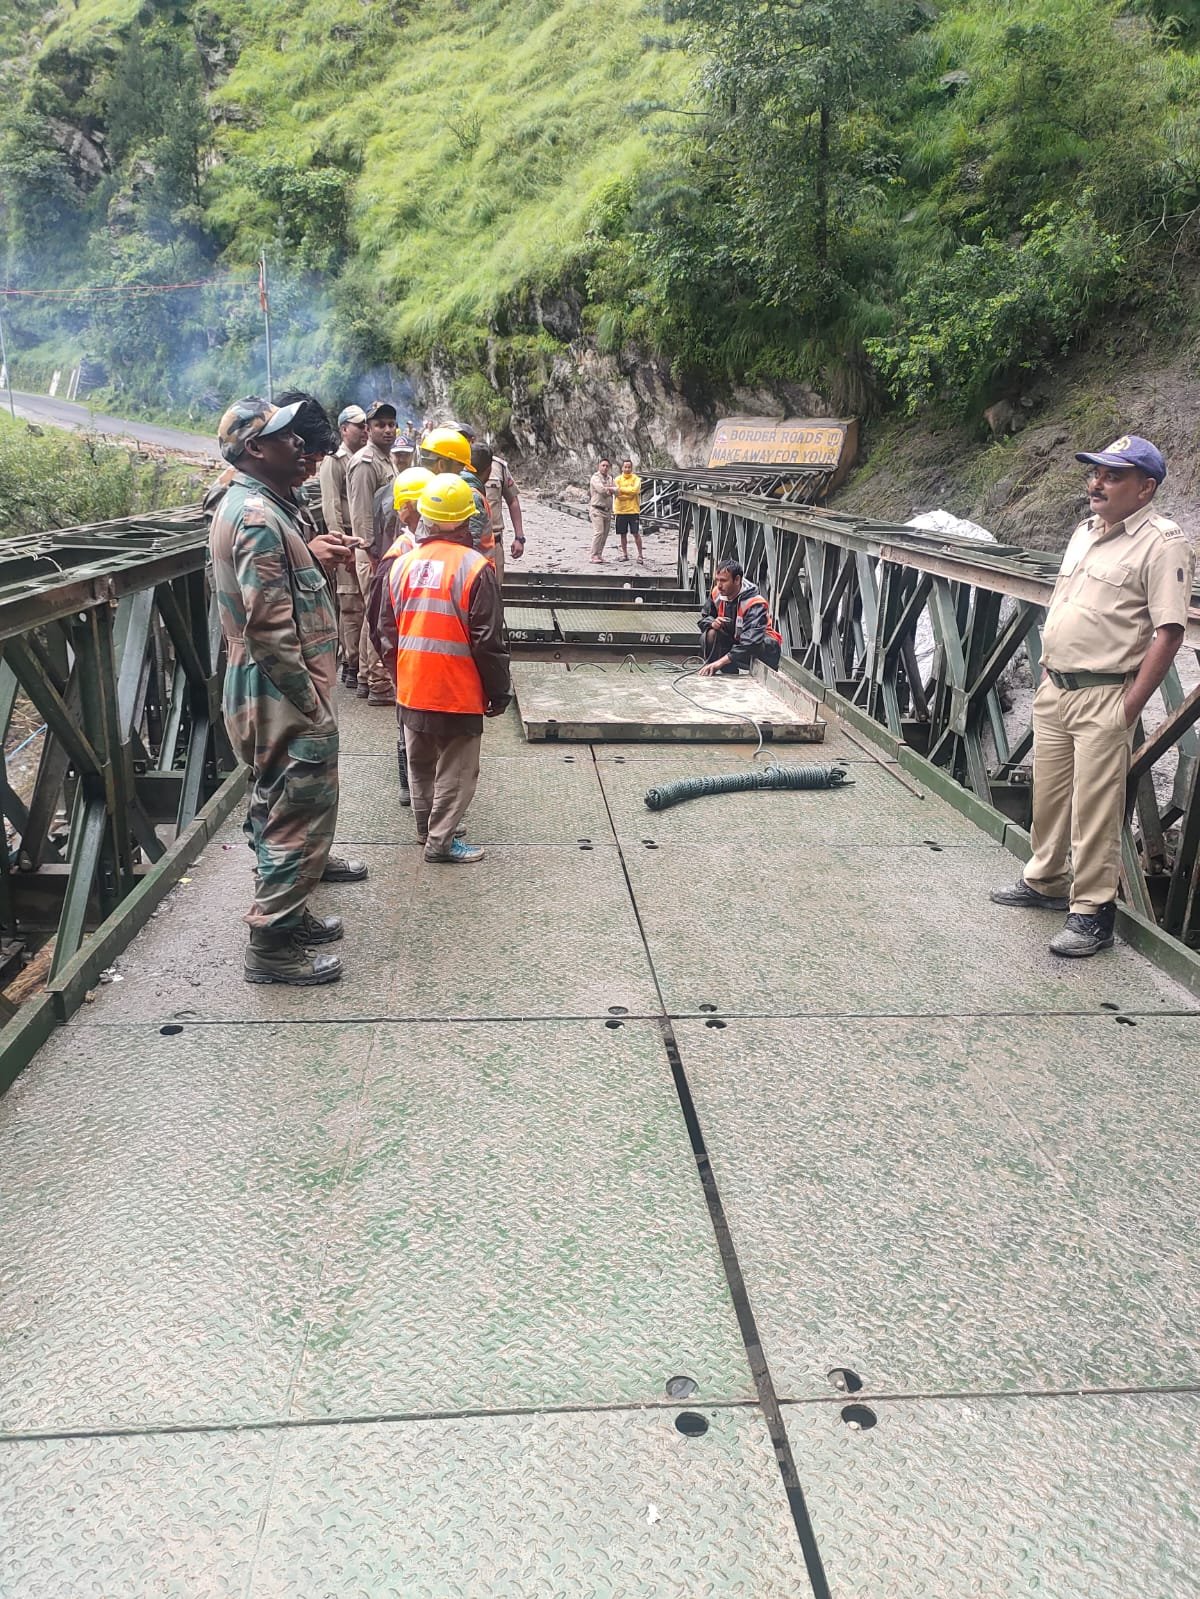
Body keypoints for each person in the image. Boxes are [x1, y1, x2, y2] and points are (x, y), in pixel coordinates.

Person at [990, 434, 1193, 957]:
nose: (1096, 484)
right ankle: (1045, 880)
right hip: (1056, 688)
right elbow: (1065, 604)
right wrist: (1045, 671)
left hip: (1105, 693)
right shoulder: (1084, 532)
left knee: (1095, 809)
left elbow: (1169, 632)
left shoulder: (1162, 542)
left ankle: (1092, 912)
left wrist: (1130, 705)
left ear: (1145, 488)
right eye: (1095, 473)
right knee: (1049, 796)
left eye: (1112, 476)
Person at [208, 396, 369, 988]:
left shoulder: (261, 505)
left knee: (280, 803)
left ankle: (290, 917)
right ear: (254, 448)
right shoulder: (256, 517)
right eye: (282, 435)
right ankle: (272, 948)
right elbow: (270, 629)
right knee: (295, 812)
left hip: (271, 688)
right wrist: (311, 703)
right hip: (280, 691)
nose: (298, 442)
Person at [387, 472, 512, 863]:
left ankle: (426, 832)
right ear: (465, 520)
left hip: (412, 686)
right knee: (456, 772)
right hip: (456, 690)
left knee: (421, 765)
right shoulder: (475, 568)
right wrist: (498, 691)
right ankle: (441, 842)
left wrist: (398, 678)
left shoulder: (402, 564)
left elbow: (387, 630)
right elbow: (487, 640)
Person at [369, 465, 433, 808]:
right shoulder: (400, 553)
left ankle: (417, 788)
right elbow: (379, 618)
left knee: (417, 724)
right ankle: (410, 786)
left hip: (420, 655)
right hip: (409, 657)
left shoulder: (417, 548)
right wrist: (393, 662)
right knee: (409, 723)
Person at [347, 400, 398, 705]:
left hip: (383, 550)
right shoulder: (366, 463)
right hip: (373, 553)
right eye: (380, 425)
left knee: (373, 614)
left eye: (391, 424)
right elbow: (362, 514)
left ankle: (368, 677)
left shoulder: (386, 459)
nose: (387, 430)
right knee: (379, 615)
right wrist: (371, 553)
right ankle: (378, 682)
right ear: (368, 429)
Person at [318, 405, 369, 688]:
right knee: (351, 605)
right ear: (344, 429)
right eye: (358, 426)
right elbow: (331, 506)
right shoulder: (334, 461)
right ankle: (352, 663)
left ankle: (360, 663)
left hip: (362, 539)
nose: (364, 430)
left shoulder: (364, 458)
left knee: (365, 602)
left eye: (365, 426)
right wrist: (341, 547)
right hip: (348, 538)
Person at [697, 555, 783, 676]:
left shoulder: (755, 603)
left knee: (766, 644)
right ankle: (727, 672)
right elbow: (704, 618)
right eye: (717, 580)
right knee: (710, 634)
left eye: (723, 581)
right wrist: (712, 622)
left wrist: (719, 662)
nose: (719, 585)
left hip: (759, 648)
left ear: (737, 580)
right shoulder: (718, 593)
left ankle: (762, 676)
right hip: (736, 640)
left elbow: (750, 642)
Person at [420, 426, 495, 563]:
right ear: (442, 465)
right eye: (460, 468)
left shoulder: (421, 491)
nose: (462, 474)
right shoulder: (458, 495)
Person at [472, 441, 526, 579]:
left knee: (494, 587)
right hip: (463, 545)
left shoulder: (497, 467)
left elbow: (512, 500)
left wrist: (519, 537)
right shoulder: (454, 466)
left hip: (493, 543)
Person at [613, 458, 643, 563]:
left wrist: (622, 490)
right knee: (623, 534)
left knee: (636, 533)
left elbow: (635, 490)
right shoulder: (617, 480)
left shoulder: (636, 479)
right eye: (625, 467)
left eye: (629, 467)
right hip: (621, 510)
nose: (627, 469)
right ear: (622, 468)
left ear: (632, 468)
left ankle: (640, 555)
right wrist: (629, 494)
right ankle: (625, 554)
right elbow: (617, 494)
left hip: (633, 510)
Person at [588, 458, 615, 562]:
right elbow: (601, 490)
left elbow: (617, 490)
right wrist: (610, 489)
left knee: (605, 534)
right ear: (599, 466)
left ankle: (599, 555)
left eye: (607, 466)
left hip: (607, 510)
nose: (605, 468)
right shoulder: (595, 478)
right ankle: (593, 555)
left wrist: (610, 489)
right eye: (603, 465)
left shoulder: (610, 478)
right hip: (597, 509)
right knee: (599, 532)